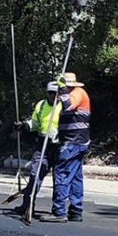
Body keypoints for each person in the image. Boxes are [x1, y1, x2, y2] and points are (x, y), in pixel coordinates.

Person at [42, 70, 91, 223]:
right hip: (75, 142)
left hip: (73, 143)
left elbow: (68, 106)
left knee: (61, 174)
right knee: (76, 177)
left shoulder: (77, 93)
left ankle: (59, 212)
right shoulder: (72, 94)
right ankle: (76, 211)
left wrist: (62, 90)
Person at [12, 81, 61, 215]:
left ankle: (58, 210)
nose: (52, 96)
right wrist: (23, 125)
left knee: (59, 179)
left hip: (58, 147)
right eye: (50, 93)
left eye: (55, 93)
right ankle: (27, 205)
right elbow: (34, 123)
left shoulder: (63, 106)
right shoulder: (41, 105)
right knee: (35, 175)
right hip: (42, 146)